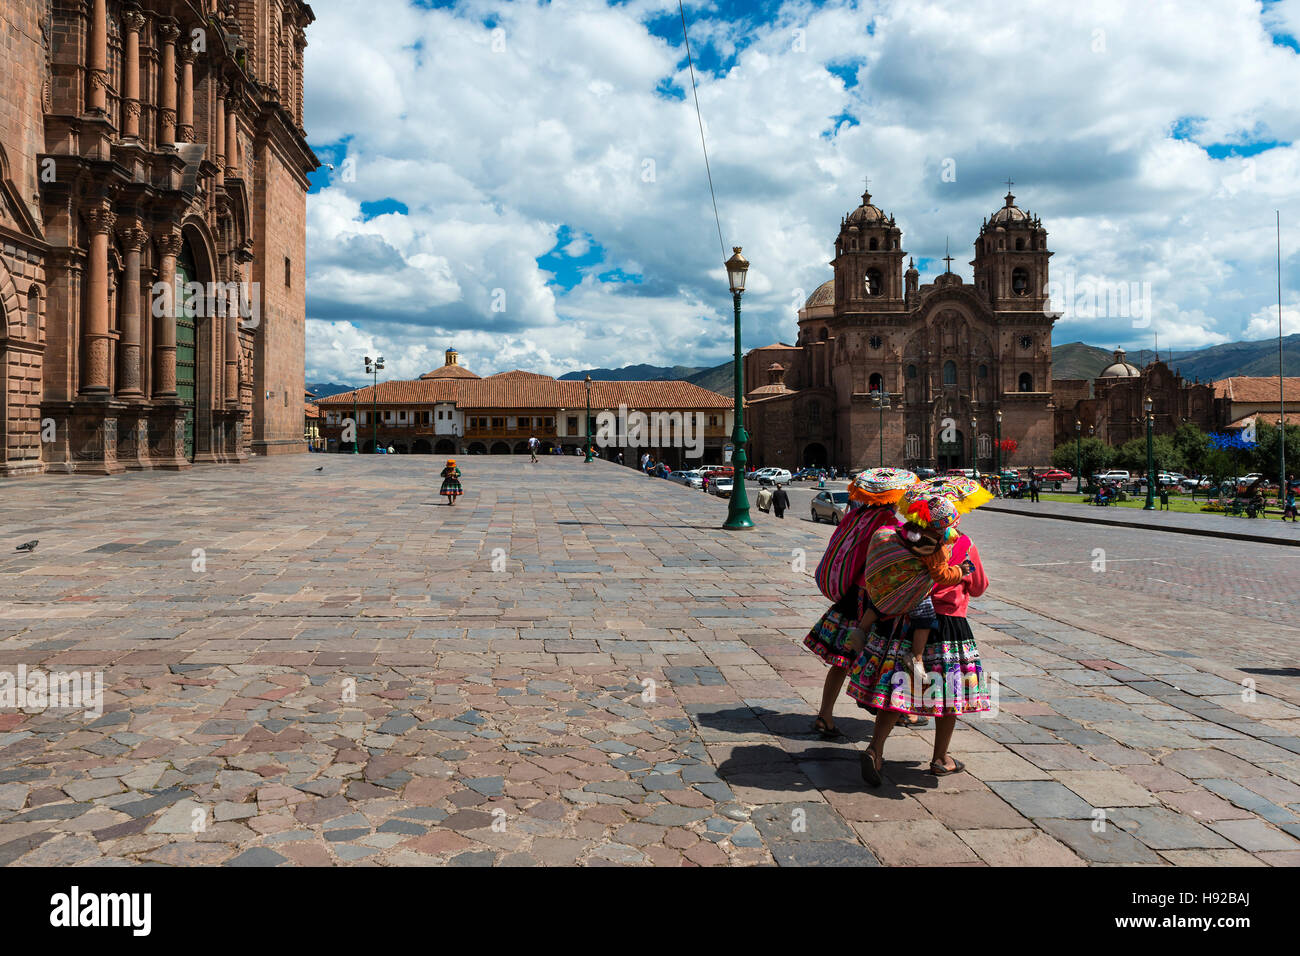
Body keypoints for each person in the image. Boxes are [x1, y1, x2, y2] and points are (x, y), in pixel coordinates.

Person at [849, 518, 991, 786]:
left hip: (906, 619)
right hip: (950, 624)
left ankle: (875, 750)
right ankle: (940, 758)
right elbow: (980, 586)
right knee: (949, 693)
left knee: (900, 690)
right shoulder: (963, 543)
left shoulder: (907, 538)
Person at [803, 468, 918, 739]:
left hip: (848, 595)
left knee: (841, 659)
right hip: (871, 600)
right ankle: (892, 710)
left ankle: (825, 715)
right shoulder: (888, 521)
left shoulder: (855, 515)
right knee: (886, 656)